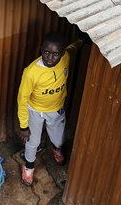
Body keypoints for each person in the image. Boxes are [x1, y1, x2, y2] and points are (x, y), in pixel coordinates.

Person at [17, 32, 83, 186]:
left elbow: (73, 48)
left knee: (58, 136)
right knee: (32, 141)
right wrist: (23, 125)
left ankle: (56, 148)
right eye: (46, 52)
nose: (50, 58)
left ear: (62, 53)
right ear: (41, 49)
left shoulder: (65, 58)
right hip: (35, 110)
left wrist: (81, 40)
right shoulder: (31, 72)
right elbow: (22, 100)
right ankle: (29, 167)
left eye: (55, 54)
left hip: (56, 109)